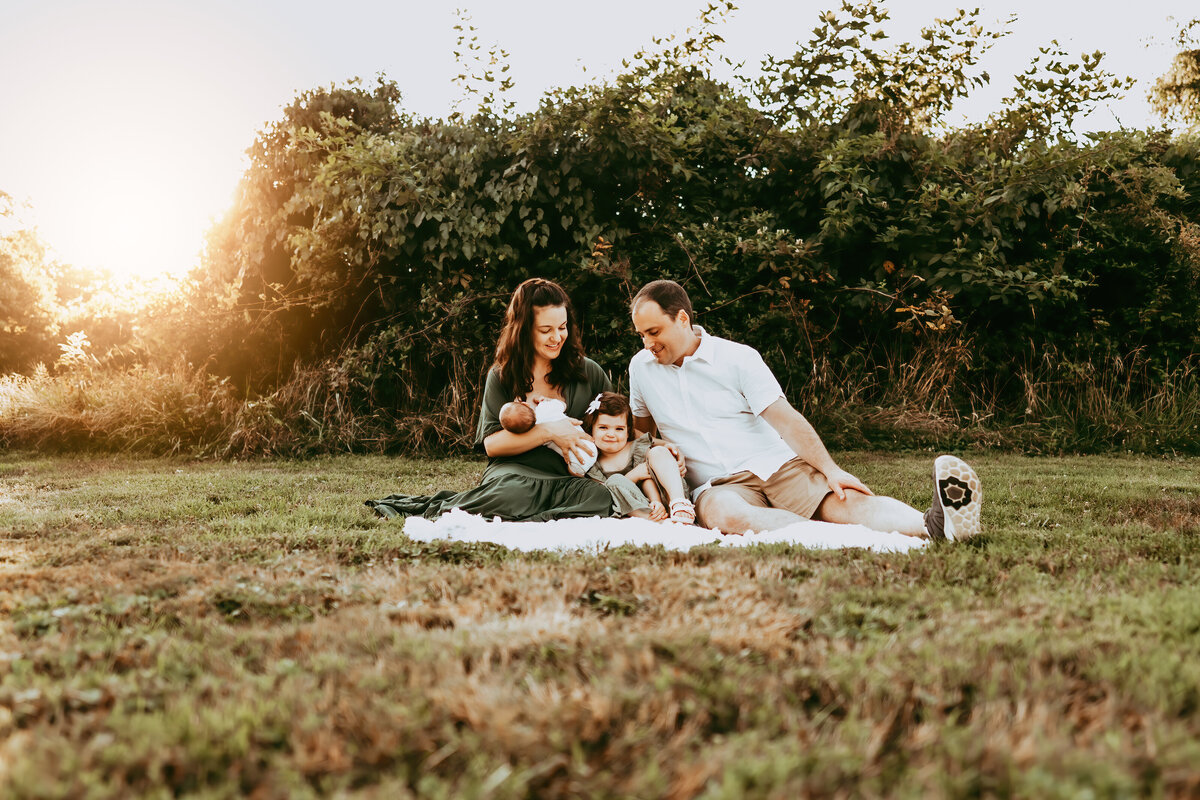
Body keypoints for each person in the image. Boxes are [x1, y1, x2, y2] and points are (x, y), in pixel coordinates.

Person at [628, 279, 983, 540]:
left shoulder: (736, 357)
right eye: (641, 335)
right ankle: (835, 538)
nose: (648, 343)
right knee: (728, 516)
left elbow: (784, 418)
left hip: (776, 465)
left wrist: (829, 469)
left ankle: (933, 524)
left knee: (842, 503)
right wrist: (660, 447)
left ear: (683, 319)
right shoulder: (641, 368)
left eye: (654, 331)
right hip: (716, 485)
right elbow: (642, 436)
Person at [365, 278, 614, 522]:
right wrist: (549, 431)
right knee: (512, 495)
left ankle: (533, 518)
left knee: (601, 496)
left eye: (562, 327)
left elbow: (619, 424)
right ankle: (539, 517)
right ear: (524, 329)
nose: (557, 337)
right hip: (516, 474)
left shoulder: (588, 373)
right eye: (545, 330)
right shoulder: (502, 375)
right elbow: (492, 445)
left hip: (570, 479)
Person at [579, 391, 696, 523]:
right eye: (603, 427)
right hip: (638, 506)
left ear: (628, 431)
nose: (611, 434)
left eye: (619, 429)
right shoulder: (592, 461)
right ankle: (651, 517)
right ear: (591, 429)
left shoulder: (636, 448)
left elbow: (648, 479)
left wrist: (656, 500)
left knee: (658, 452)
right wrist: (635, 475)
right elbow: (606, 493)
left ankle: (679, 503)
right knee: (613, 482)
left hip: (664, 495)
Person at [498, 396, 598, 476]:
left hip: (578, 464)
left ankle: (585, 475)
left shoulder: (534, 433)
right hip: (591, 445)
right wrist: (546, 401)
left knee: (573, 473)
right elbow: (562, 404)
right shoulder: (545, 407)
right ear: (525, 404)